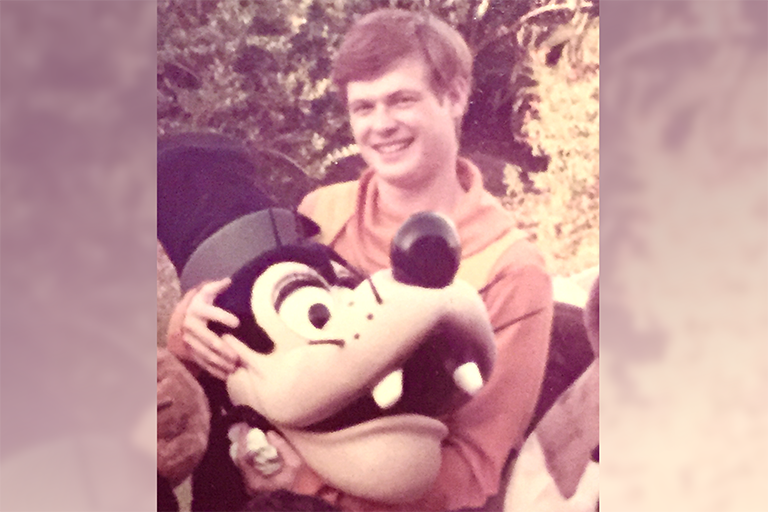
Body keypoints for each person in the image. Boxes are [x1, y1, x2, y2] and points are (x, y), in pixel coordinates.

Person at [166, 8, 553, 512]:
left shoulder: (510, 270)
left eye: (401, 100)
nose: (381, 125)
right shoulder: (321, 211)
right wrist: (189, 325)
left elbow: (470, 475)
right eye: (362, 107)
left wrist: (306, 484)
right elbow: (255, 340)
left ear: (454, 96)